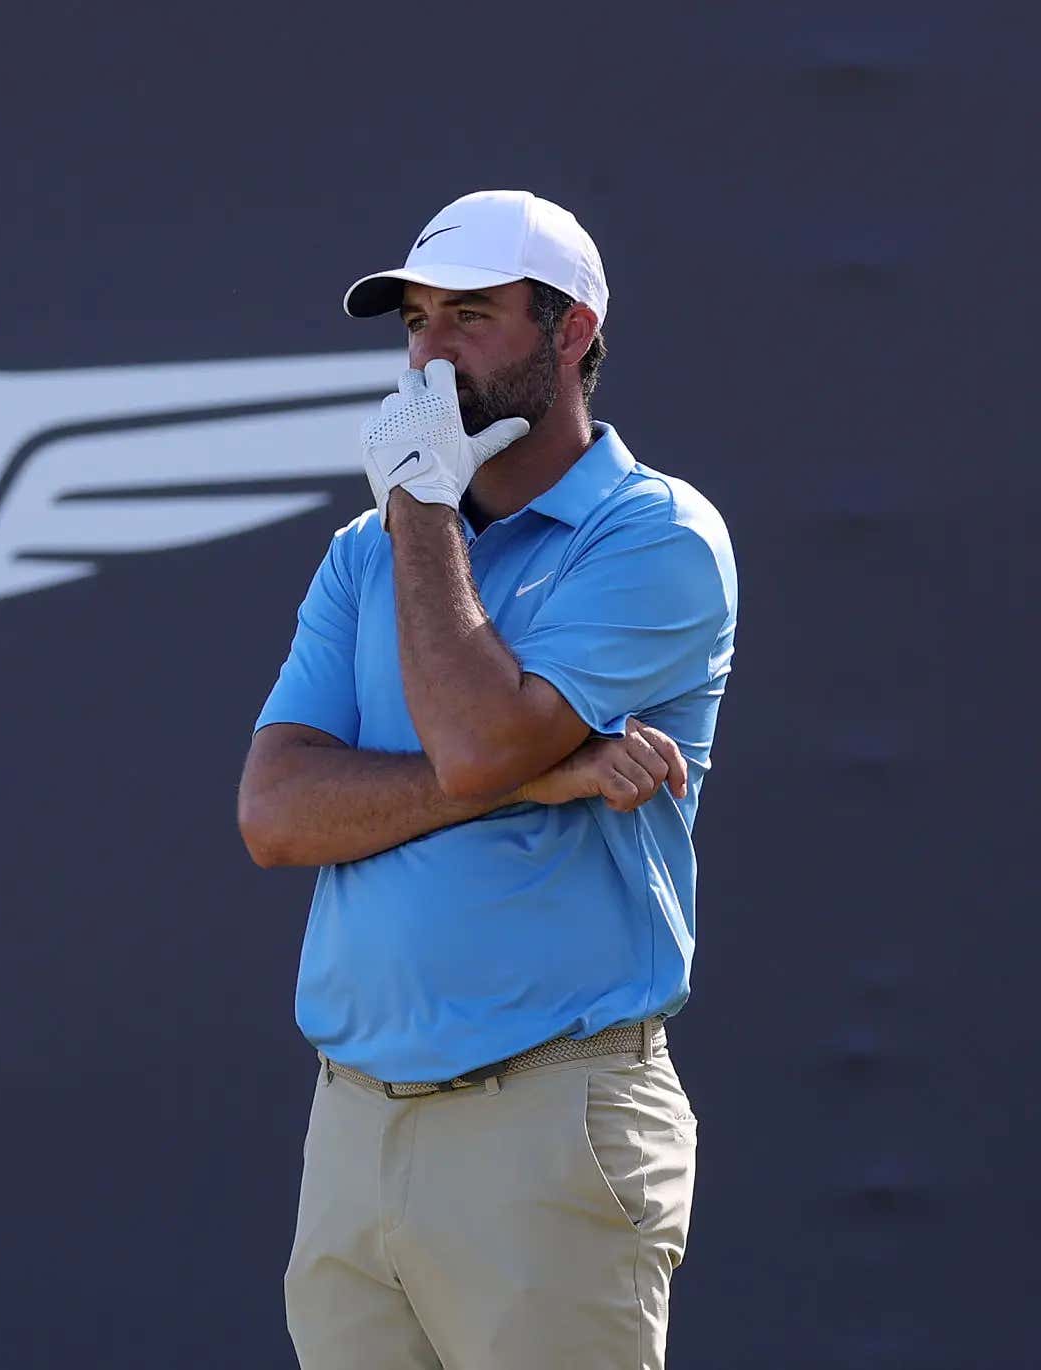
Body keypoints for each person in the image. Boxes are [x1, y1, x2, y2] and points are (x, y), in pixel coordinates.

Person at [237, 189, 738, 1370]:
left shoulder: (652, 535)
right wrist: (535, 780)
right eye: (414, 321)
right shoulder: (362, 554)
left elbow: (466, 739)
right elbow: (273, 813)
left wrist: (419, 506)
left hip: (548, 1120)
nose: (429, 353)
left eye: (470, 316)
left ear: (569, 331)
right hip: (354, 1126)